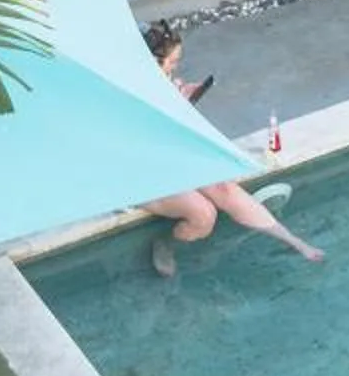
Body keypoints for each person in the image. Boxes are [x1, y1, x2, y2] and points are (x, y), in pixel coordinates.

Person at [138, 25, 325, 275]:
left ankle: (293, 241)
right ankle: (166, 244)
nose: (175, 67)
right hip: (142, 170)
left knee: (223, 188)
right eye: (172, 61)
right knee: (203, 214)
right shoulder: (130, 90)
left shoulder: (163, 81)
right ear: (151, 61)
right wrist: (175, 107)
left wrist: (181, 101)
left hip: (168, 156)